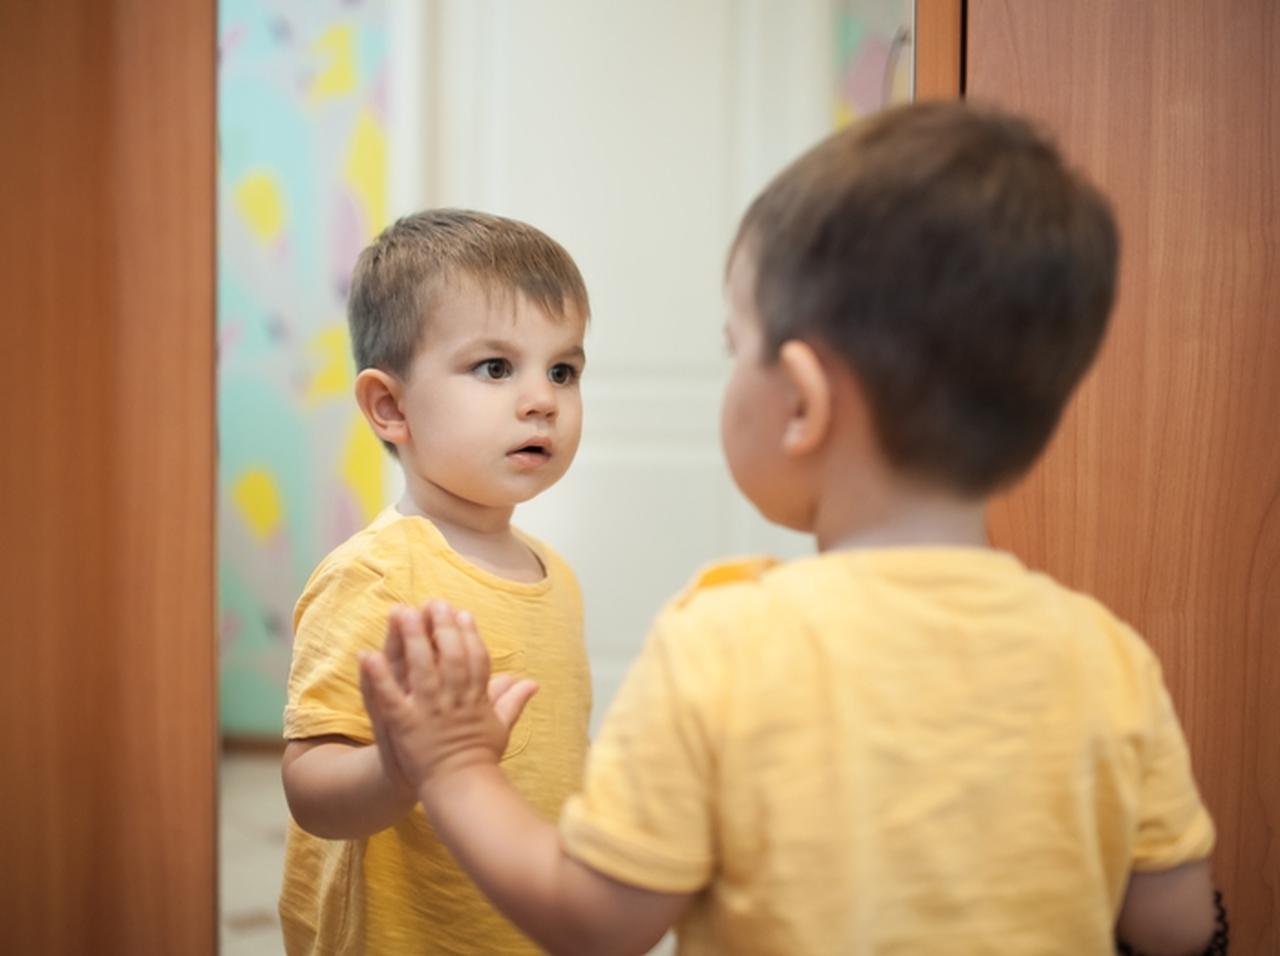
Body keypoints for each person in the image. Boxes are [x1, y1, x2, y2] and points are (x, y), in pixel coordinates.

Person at [359, 103, 1218, 955]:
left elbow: (597, 922)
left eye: (737, 349)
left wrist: (455, 767)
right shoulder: (1109, 658)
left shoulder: (722, 644)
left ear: (800, 402)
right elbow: (1177, 926)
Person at [279, 209, 594, 954]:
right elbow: (310, 787)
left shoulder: (559, 579)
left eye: (563, 370)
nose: (542, 398)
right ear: (390, 407)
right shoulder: (379, 574)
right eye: (495, 367)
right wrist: (402, 766)